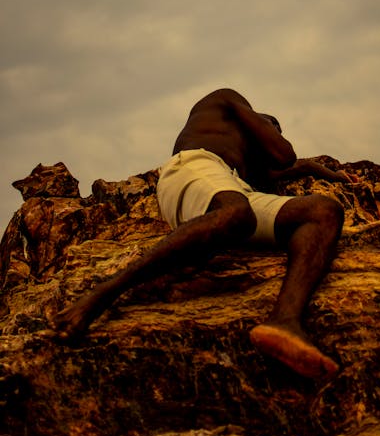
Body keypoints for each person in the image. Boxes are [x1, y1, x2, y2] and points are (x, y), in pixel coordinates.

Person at [52, 89, 354, 379]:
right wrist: (271, 129)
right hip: (194, 168)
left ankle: (284, 321)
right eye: (271, 126)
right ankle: (101, 295)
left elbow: (290, 167)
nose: (275, 131)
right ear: (257, 121)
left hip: (233, 190)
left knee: (323, 211)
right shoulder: (227, 100)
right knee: (237, 213)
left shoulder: (243, 163)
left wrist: (324, 171)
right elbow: (285, 155)